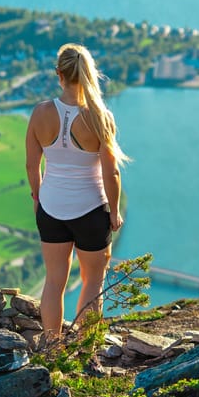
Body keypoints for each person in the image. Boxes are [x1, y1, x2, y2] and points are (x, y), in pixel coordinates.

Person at [25, 43, 130, 341]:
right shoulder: (100, 117)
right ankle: (86, 351)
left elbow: (32, 167)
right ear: (89, 74)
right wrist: (115, 210)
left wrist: (38, 200)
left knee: (54, 282)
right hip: (91, 211)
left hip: (51, 208)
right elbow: (111, 172)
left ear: (59, 73)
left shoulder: (40, 113)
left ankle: (51, 347)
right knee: (93, 282)